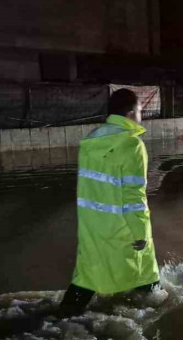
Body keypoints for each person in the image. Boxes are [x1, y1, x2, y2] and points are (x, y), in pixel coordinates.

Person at [59, 89, 160, 316]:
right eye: (141, 110)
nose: (141, 116)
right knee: (145, 272)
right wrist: (141, 232)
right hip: (122, 226)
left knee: (88, 273)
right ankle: (158, 308)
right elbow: (134, 196)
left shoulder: (92, 140)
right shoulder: (132, 145)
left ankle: (62, 315)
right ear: (132, 113)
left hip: (92, 224)